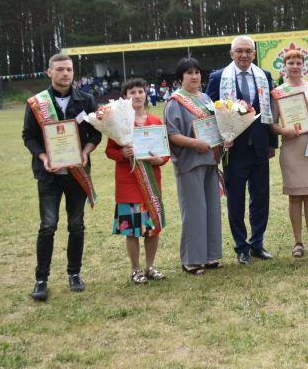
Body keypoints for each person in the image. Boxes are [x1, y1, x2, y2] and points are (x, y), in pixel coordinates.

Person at [22, 53, 101, 301]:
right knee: (48, 226)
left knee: (76, 225)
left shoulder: (86, 100)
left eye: (68, 69)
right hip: (50, 175)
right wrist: (44, 157)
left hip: (77, 173)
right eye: (59, 69)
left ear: (73, 73)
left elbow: (96, 134)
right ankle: (41, 279)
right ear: (49, 72)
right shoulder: (37, 103)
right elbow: (29, 136)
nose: (65, 73)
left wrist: (86, 152)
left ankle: (74, 274)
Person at [207, 36, 277, 265]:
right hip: (233, 149)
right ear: (231, 54)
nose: (244, 55)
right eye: (239, 51)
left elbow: (271, 114)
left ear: (254, 54)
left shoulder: (264, 76)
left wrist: (271, 144)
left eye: (248, 51)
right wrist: (218, 143)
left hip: (259, 147)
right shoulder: (218, 78)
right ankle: (241, 247)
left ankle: (257, 243)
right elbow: (210, 114)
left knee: (261, 198)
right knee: (235, 200)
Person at [105, 79, 169, 284]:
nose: (138, 95)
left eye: (141, 91)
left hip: (151, 181)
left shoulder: (156, 121)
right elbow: (109, 151)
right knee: (131, 229)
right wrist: (122, 153)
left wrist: (159, 160)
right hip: (129, 183)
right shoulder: (118, 123)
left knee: (153, 228)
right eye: (132, 92)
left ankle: (150, 266)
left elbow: (164, 153)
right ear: (125, 97)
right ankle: (135, 269)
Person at [165, 58, 224, 273]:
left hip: (210, 160)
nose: (194, 76)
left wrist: (225, 136)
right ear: (180, 77)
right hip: (190, 162)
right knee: (194, 211)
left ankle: (211, 256)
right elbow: (171, 134)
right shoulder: (175, 102)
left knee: (211, 209)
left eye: (197, 72)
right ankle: (191, 260)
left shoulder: (206, 98)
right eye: (189, 73)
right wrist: (194, 143)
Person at [270, 50, 308, 257]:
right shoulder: (277, 92)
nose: (294, 66)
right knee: (295, 197)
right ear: (283, 67)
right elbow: (272, 123)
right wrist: (282, 131)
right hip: (291, 147)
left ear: (304, 66)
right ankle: (298, 242)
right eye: (290, 63)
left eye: (298, 62)